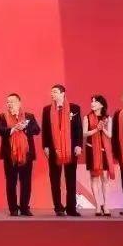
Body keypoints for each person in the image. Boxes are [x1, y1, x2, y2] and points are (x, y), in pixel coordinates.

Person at [41, 84, 83, 217]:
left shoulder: (74, 108)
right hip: (54, 147)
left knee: (71, 178)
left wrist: (79, 145)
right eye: (51, 92)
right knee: (55, 179)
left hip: (70, 147)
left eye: (55, 92)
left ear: (62, 93)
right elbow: (45, 129)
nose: (52, 94)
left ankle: (71, 208)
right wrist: (45, 146)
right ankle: (58, 207)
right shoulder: (47, 109)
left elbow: (78, 128)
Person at [0, 93, 40, 217]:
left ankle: (24, 208)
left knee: (26, 182)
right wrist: (13, 129)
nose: (10, 104)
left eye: (12, 101)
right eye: (8, 102)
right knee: (11, 182)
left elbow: (37, 130)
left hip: (26, 154)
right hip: (9, 155)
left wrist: (25, 128)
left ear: (19, 103)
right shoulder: (2, 117)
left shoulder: (29, 116)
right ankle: (13, 209)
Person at [83, 95, 114, 216]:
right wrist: (96, 129)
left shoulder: (108, 118)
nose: (92, 103)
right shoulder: (87, 117)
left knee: (105, 179)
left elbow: (110, 135)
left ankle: (106, 205)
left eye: (95, 102)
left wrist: (102, 128)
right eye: (91, 101)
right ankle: (97, 205)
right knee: (94, 178)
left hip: (104, 150)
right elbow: (84, 133)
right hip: (91, 149)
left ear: (101, 104)